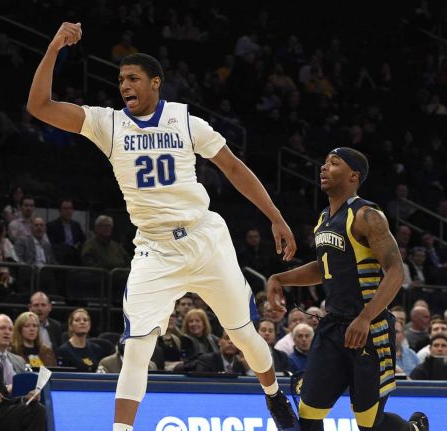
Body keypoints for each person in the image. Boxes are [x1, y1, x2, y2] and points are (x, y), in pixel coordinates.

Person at [28, 23, 299, 431]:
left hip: (205, 238)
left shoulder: (187, 121)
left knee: (243, 335)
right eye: (120, 80)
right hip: (155, 249)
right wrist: (53, 49)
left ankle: (275, 394)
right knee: (137, 348)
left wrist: (276, 216)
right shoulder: (108, 124)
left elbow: (233, 167)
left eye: (133, 78)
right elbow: (41, 106)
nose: (124, 85)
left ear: (156, 83)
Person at [266, 147, 428, 430]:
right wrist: (280, 278)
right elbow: (323, 267)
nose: (324, 167)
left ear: (353, 176)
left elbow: (396, 270)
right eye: (324, 162)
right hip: (332, 329)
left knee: (369, 423)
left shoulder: (367, 215)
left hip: (368, 328)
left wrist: (365, 317)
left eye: (334, 163)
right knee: (308, 414)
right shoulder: (324, 218)